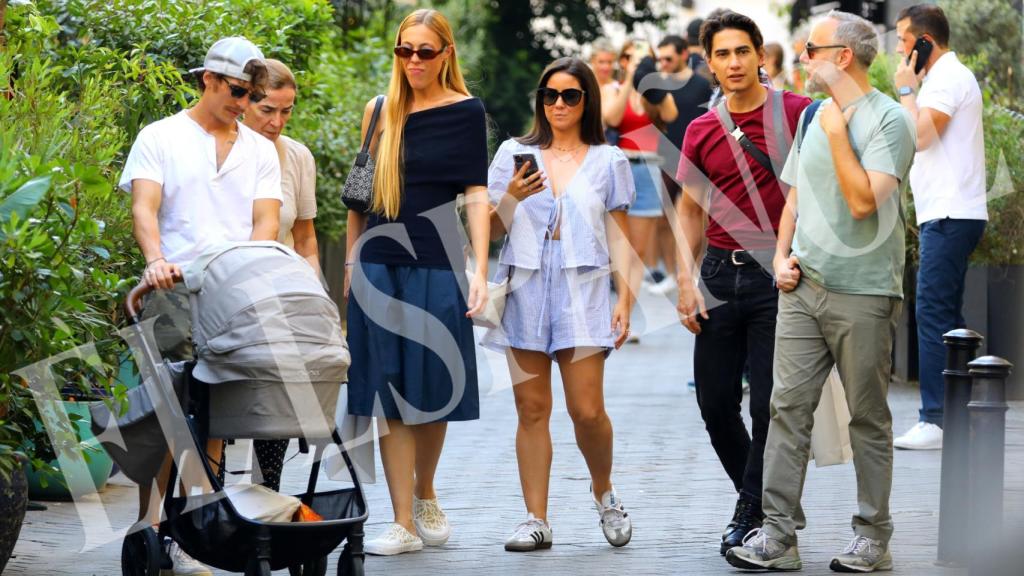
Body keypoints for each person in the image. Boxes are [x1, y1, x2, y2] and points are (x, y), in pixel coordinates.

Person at [726, 11, 915, 572]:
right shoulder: (812, 115)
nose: (803, 57)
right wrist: (780, 258)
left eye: (812, 48)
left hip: (865, 291)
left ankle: (872, 537)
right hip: (802, 288)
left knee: (867, 417)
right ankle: (778, 536)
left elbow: (863, 202)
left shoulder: (890, 121)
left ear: (843, 57)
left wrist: (837, 134)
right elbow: (794, 197)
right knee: (786, 411)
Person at [120, 36, 281, 576]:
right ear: (208, 78)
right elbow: (145, 207)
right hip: (172, 289)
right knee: (168, 413)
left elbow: (265, 222)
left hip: (231, 295)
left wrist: (248, 273)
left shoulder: (260, 150)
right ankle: (152, 525)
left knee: (213, 414)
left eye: (252, 94)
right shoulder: (161, 136)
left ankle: (193, 530)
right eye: (238, 91)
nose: (244, 103)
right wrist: (155, 260)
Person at [344, 8, 490, 557]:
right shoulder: (380, 110)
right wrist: (351, 265)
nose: (413, 61)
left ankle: (425, 491)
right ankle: (402, 520)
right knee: (390, 394)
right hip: (379, 264)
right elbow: (359, 195)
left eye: (424, 51)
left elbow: (475, 192)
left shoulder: (466, 112)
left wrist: (480, 269)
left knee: (433, 389)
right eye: (404, 51)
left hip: (438, 260)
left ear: (446, 53)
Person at [481, 56, 635, 552]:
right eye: (549, 95)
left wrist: (625, 299)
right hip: (525, 286)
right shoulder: (514, 153)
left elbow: (620, 236)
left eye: (570, 95)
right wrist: (511, 197)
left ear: (587, 100)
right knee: (531, 408)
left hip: (582, 288)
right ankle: (535, 518)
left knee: (587, 410)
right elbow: (489, 230)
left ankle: (604, 491)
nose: (558, 104)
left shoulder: (608, 160)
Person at [674, 11, 811, 557]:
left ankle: (753, 512)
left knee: (769, 408)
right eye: (722, 55)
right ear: (710, 64)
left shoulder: (798, 113)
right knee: (714, 403)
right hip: (716, 275)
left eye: (742, 52)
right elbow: (689, 211)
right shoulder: (702, 129)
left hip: (778, 278)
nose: (733, 63)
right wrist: (685, 280)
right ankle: (763, 503)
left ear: (760, 55)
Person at [892, 3, 987, 451]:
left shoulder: (948, 78)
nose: (899, 49)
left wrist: (906, 90)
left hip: (951, 214)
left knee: (932, 312)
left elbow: (922, 136)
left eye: (903, 40)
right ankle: (957, 415)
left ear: (925, 41)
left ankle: (936, 419)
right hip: (949, 213)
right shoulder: (941, 79)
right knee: (946, 316)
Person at [241, 58, 320, 492]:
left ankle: (267, 489)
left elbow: (305, 237)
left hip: (280, 293)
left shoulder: (297, 157)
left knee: (278, 396)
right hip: (230, 293)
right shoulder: (226, 153)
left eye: (286, 111)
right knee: (222, 404)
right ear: (244, 101)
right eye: (267, 110)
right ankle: (210, 500)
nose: (277, 122)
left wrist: (315, 295)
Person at [603, 42, 677, 341]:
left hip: (648, 170)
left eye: (643, 57)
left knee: (640, 252)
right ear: (623, 61)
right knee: (619, 248)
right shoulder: (613, 89)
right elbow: (612, 119)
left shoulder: (654, 91)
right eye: (630, 58)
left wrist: (650, 81)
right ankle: (615, 310)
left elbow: (670, 114)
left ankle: (626, 316)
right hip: (621, 169)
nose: (636, 62)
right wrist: (629, 80)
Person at [648, 34, 713, 296]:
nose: (663, 63)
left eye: (668, 58)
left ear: (683, 54)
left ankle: (695, 271)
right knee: (664, 218)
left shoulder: (702, 85)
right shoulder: (659, 86)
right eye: (660, 59)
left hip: (696, 159)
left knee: (698, 215)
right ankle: (671, 274)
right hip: (665, 157)